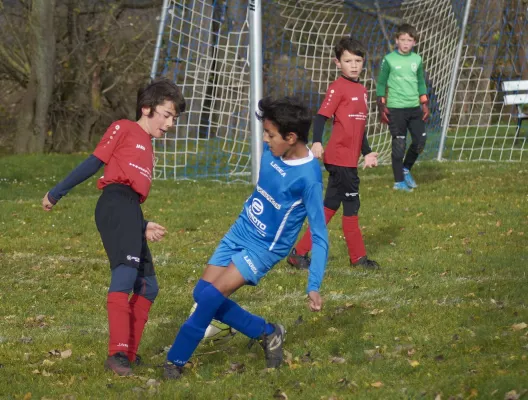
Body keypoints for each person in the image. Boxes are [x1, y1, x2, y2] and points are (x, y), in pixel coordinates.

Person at [163, 96, 329, 379]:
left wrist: (313, 284)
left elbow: (320, 234)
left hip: (264, 248)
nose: (265, 140)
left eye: (270, 134)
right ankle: (267, 332)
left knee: (212, 297)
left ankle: (174, 362)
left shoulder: (309, 177)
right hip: (241, 229)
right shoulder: (274, 153)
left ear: (291, 137)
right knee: (201, 293)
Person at [41, 78, 186, 376]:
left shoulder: (148, 145)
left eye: (175, 118)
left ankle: (128, 354)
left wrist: (141, 223)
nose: (171, 123)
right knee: (126, 274)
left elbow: (129, 192)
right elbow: (95, 164)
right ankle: (117, 353)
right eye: (167, 114)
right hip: (115, 203)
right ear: (146, 109)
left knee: (148, 286)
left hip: (129, 209)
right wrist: (56, 193)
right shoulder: (124, 127)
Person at [287, 37, 380, 271]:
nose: (354, 64)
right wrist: (316, 141)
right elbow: (321, 117)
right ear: (337, 63)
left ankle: (298, 253)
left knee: (330, 207)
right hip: (339, 160)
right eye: (348, 60)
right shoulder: (337, 87)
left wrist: (367, 153)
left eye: (358, 60)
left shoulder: (361, 89)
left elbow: (359, 128)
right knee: (352, 206)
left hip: (349, 160)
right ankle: (358, 259)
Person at [376, 23, 429, 192]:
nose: (406, 43)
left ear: (414, 42)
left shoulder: (417, 59)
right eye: (403, 39)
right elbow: (381, 83)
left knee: (420, 141)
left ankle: (405, 169)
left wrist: (424, 103)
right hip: (396, 109)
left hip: (414, 109)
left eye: (410, 40)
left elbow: (420, 81)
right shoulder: (389, 59)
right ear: (396, 40)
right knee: (399, 146)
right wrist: (381, 105)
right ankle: (399, 182)